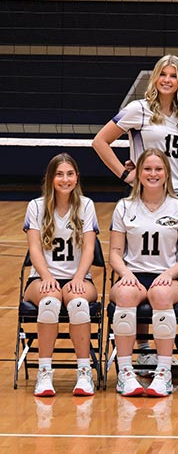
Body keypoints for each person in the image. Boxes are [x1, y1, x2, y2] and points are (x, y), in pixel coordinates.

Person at [108, 149, 178, 397]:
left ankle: (163, 372)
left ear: (167, 173)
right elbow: (115, 252)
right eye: (147, 169)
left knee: (161, 295)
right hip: (133, 274)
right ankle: (125, 373)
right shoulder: (124, 207)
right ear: (138, 173)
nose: (153, 174)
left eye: (158, 169)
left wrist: (169, 273)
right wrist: (125, 273)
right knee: (124, 296)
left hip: (169, 277)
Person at [23, 153, 100, 397]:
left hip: (79, 278)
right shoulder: (35, 206)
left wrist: (79, 277)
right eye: (59, 174)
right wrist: (46, 277)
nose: (64, 179)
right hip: (42, 279)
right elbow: (34, 248)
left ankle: (84, 372)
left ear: (77, 177)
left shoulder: (86, 205)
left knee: (78, 303)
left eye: (69, 174)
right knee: (49, 302)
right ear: (50, 178)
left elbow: (89, 247)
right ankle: (44, 373)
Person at [92, 54, 178, 199]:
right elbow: (99, 141)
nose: (166, 80)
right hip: (144, 192)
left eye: (173, 76)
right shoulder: (138, 109)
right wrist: (125, 174)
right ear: (155, 78)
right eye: (162, 74)